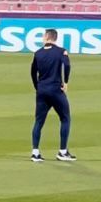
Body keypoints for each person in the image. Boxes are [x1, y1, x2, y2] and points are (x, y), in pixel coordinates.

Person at [30, 28, 76, 162]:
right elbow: (67, 65)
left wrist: (37, 86)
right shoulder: (61, 51)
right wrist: (65, 82)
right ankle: (62, 152)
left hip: (42, 90)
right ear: (55, 38)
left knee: (39, 121)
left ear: (47, 37)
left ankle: (35, 152)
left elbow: (32, 72)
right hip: (55, 90)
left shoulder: (38, 53)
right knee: (65, 118)